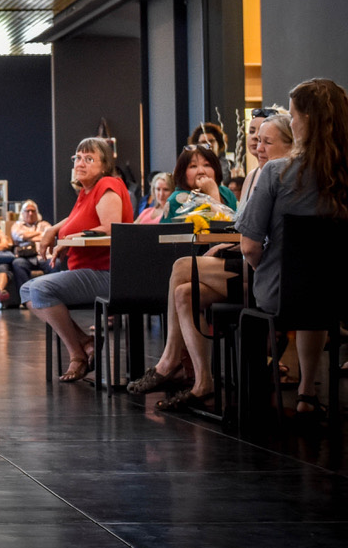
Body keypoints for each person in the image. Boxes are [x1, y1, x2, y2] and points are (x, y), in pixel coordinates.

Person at [130, 114, 293, 407]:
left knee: (182, 269)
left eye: (266, 141)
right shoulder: (184, 195)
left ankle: (170, 363)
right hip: (248, 263)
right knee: (183, 292)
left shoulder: (269, 178)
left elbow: (243, 233)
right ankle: (202, 380)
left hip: (267, 275)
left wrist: (218, 204)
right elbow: (244, 232)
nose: (258, 146)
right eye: (256, 139)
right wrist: (229, 248)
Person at [238, 79, 348, 415]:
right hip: (339, 296)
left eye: (294, 115)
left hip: (282, 293)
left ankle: (261, 399)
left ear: (306, 121)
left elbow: (249, 246)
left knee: (296, 292)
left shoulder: (275, 173)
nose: (292, 120)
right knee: (314, 299)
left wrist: (265, 269)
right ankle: (306, 391)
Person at [21, 138, 134, 382]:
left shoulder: (108, 185)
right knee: (27, 291)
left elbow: (110, 228)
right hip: (88, 272)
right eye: (78, 158)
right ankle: (84, 342)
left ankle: (77, 354)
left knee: (40, 288)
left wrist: (67, 239)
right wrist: (53, 231)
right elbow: (78, 219)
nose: (81, 163)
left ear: (104, 166)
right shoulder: (86, 192)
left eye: (89, 158)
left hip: (107, 273)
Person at [160, 144, 237, 222]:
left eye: (207, 165)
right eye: (193, 166)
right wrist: (212, 194)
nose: (201, 171)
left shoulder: (226, 193)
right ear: (183, 172)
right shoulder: (177, 199)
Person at [9, 199, 54, 294]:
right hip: (25, 257)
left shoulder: (45, 224)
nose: (30, 213)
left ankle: (51, 294)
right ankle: (27, 296)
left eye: (33, 211)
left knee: (55, 263)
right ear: (22, 213)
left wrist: (26, 237)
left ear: (37, 213)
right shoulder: (17, 225)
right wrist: (39, 234)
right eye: (27, 211)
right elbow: (18, 236)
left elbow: (49, 236)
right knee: (17, 263)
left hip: (44, 256)